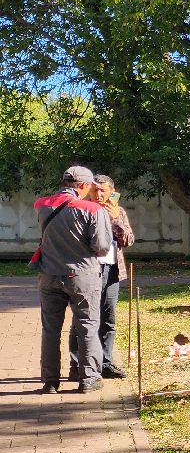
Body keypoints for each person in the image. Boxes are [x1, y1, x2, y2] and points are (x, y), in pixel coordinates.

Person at [33, 166, 113, 394]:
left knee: (50, 330)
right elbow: (102, 246)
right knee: (87, 326)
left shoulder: (42, 205)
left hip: (49, 275)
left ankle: (49, 382)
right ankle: (88, 379)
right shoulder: (93, 209)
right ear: (84, 186)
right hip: (82, 277)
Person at [68, 175, 133, 380]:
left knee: (108, 319)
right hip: (88, 271)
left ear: (111, 191)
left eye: (103, 190)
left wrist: (115, 220)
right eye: (95, 190)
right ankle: (77, 366)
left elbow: (128, 240)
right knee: (82, 318)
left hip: (111, 271)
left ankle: (105, 363)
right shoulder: (81, 209)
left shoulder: (118, 211)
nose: (99, 195)